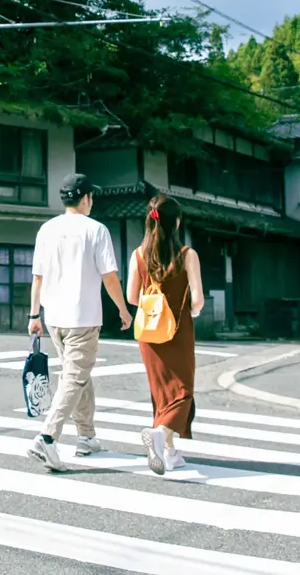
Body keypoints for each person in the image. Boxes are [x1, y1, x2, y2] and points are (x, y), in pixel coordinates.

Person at [26, 173, 132, 472]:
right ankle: (47, 438)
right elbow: (109, 276)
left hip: (55, 318)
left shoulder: (47, 229)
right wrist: (123, 310)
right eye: (92, 197)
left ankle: (86, 436)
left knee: (78, 374)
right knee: (74, 378)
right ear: (85, 198)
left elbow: (38, 277)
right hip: (83, 317)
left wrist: (34, 316)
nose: (92, 202)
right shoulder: (96, 230)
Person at [128, 193, 204, 475]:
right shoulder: (187, 255)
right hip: (178, 330)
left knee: (161, 392)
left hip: (149, 331)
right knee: (182, 391)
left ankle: (169, 450)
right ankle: (159, 433)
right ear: (177, 222)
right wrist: (191, 310)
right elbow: (197, 300)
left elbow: (132, 297)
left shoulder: (137, 255)